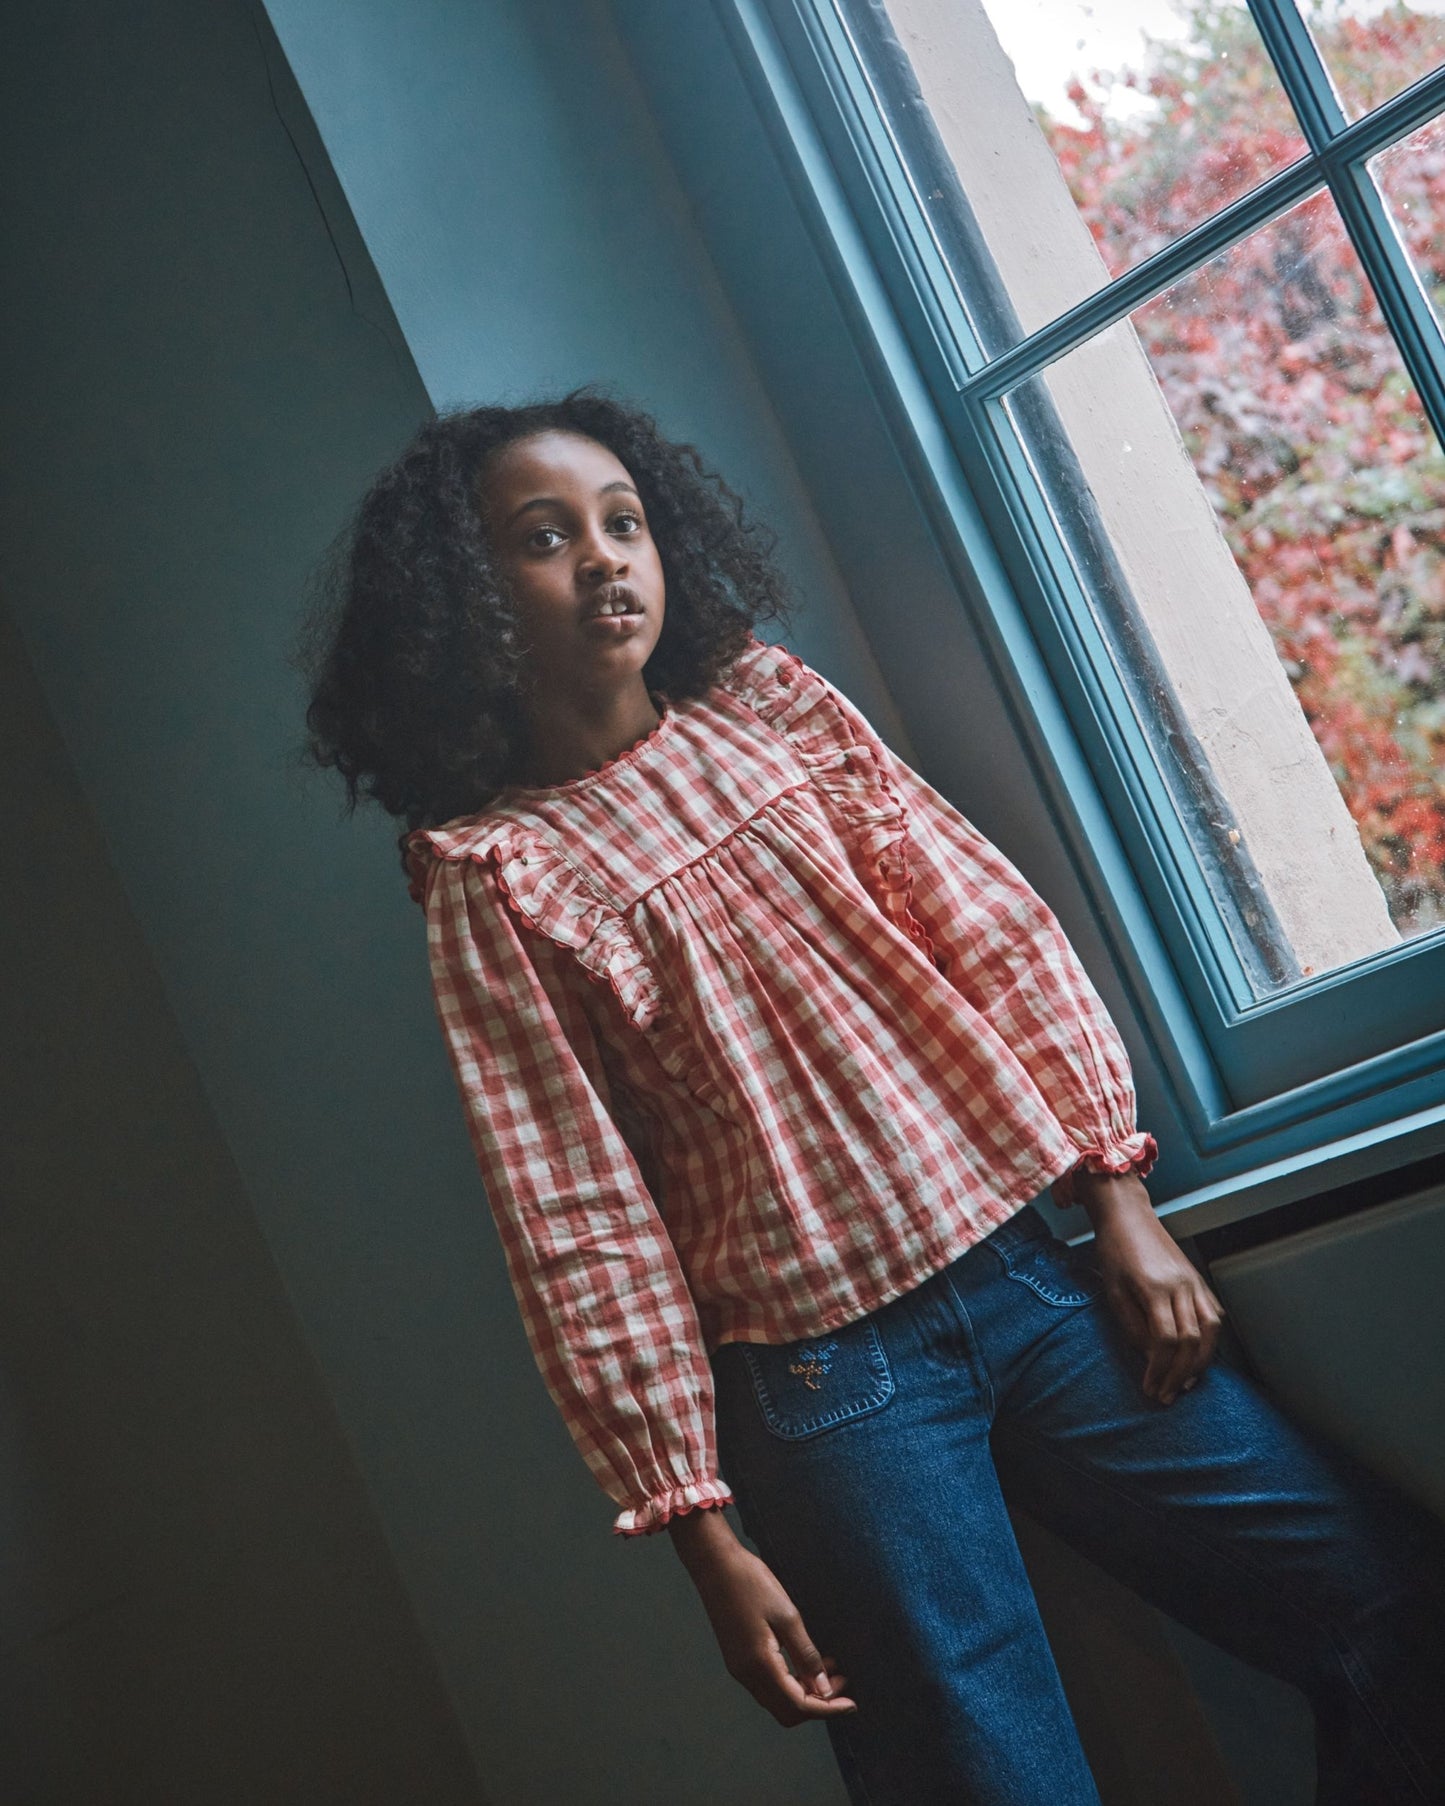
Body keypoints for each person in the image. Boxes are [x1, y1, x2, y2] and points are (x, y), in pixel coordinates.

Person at [303, 390, 1445, 1805]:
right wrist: (697, 1525)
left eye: (624, 522)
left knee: (1394, 1609)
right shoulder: (494, 875)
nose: (604, 559)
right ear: (465, 599)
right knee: (989, 1783)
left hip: (1038, 1288)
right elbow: (572, 1212)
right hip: (826, 1391)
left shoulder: (776, 712)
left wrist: (1118, 1194)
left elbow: (990, 933)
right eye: (545, 539)